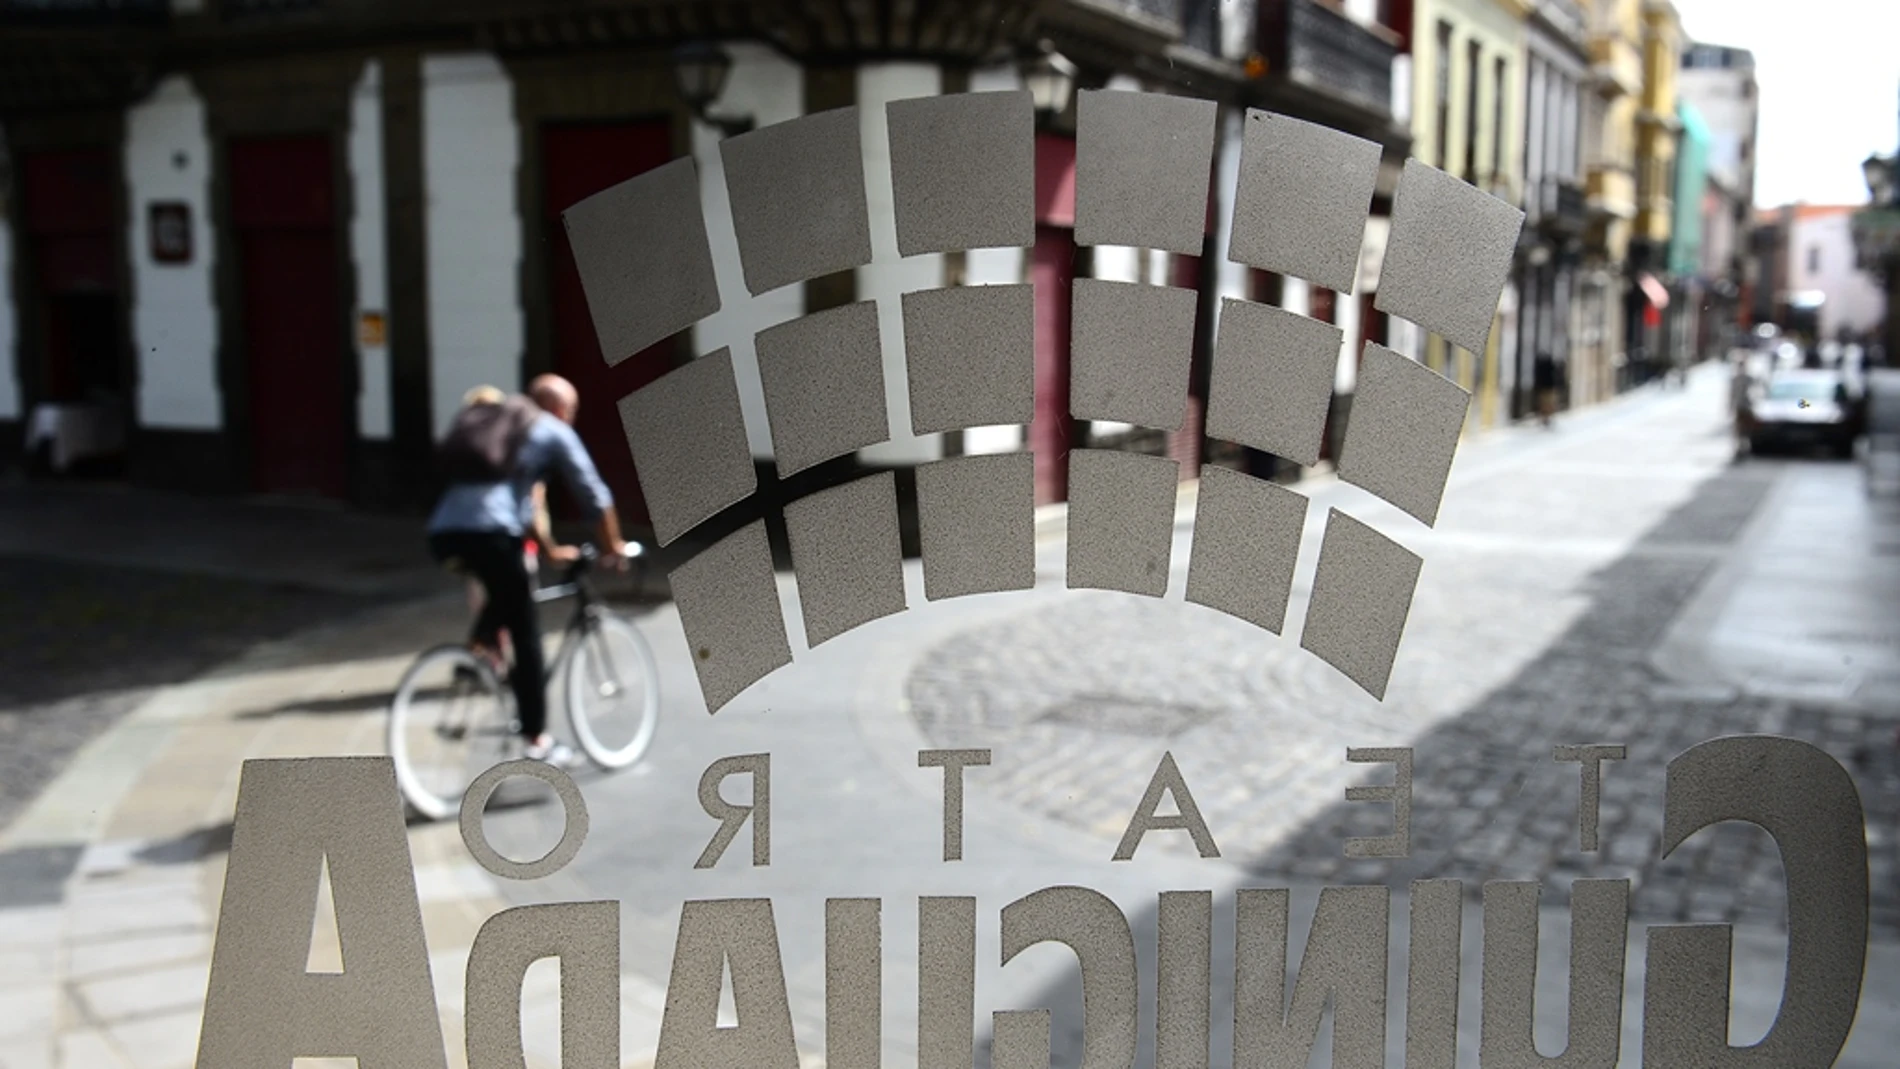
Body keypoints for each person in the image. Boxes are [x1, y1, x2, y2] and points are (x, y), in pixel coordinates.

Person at [427, 374, 629, 767]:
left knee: (504, 598)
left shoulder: (499, 420)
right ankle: (537, 740)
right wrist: (613, 547)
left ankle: (482, 654)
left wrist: (550, 550)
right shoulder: (549, 428)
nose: (571, 418)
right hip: (492, 536)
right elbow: (593, 493)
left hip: (444, 534)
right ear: (559, 408)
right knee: (526, 631)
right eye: (572, 411)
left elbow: (523, 507)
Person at [1532, 351, 1558, 429]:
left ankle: (1545, 418)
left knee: (1545, 403)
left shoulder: (1540, 367)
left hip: (1544, 387)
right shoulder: (1549, 368)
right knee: (1547, 403)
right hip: (1548, 387)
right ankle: (1546, 418)